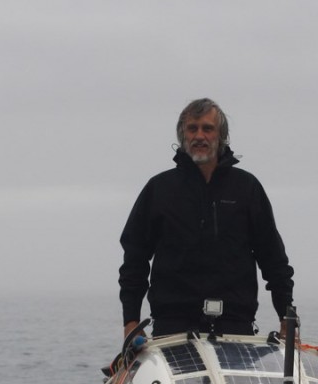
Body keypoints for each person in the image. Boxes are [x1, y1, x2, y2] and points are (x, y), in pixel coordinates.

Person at [119, 98, 294, 338]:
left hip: (236, 328)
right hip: (172, 329)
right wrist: (131, 322)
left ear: (221, 135)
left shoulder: (247, 188)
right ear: (183, 135)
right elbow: (134, 260)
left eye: (207, 128)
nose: (199, 136)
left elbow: (273, 259)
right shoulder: (159, 189)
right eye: (192, 128)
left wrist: (287, 319)